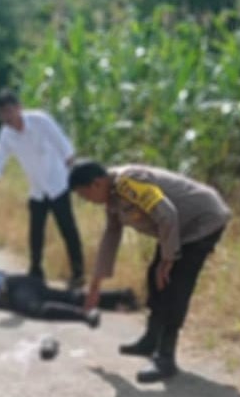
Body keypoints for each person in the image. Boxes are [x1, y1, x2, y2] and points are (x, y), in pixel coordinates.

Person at [69, 159, 231, 382]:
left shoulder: (128, 183)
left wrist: (168, 260)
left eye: (86, 196)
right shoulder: (113, 197)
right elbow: (111, 237)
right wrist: (95, 285)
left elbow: (167, 213)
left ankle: (165, 358)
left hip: (202, 222)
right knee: (155, 278)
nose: (88, 201)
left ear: (97, 183)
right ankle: (151, 340)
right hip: (177, 228)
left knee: (174, 285)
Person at [0, 88, 85, 289]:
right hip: (37, 189)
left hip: (58, 184)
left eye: (9, 111)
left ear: (18, 108)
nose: (7, 117)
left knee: (68, 230)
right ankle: (35, 273)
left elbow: (66, 150)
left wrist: (77, 183)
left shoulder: (41, 121)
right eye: (2, 113)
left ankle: (78, 273)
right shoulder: (6, 135)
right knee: (35, 234)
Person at [0, 267, 139, 326]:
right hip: (21, 281)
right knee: (69, 296)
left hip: (11, 290)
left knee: (38, 309)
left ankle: (85, 316)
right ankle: (120, 296)